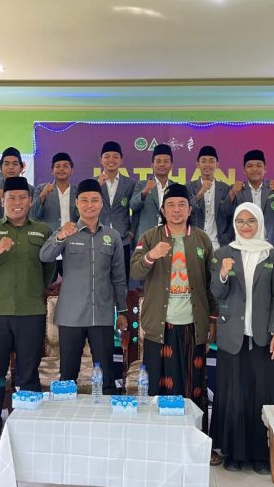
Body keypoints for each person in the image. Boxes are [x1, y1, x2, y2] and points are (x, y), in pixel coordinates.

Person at [0, 176, 56, 454]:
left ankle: (28, 423)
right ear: (3, 202)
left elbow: (49, 270)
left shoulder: (42, 230)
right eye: (11, 198)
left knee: (29, 374)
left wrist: (34, 290)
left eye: (22, 198)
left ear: (30, 201)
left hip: (31, 312)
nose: (17, 203)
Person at [209, 203, 274, 473]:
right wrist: (222, 273)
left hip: (263, 336)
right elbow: (216, 292)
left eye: (251, 221)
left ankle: (262, 455)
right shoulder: (224, 253)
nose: (245, 226)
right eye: (240, 221)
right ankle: (235, 453)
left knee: (263, 394)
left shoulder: (271, 254)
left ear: (259, 223)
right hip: (233, 335)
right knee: (234, 395)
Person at [130, 183, 216, 415]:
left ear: (190, 210)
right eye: (170, 205)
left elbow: (210, 284)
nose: (176, 210)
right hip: (160, 325)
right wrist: (151, 256)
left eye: (181, 205)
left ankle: (193, 434)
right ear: (163, 210)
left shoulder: (202, 239)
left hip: (193, 325)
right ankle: (157, 435)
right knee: (157, 389)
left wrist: (213, 320)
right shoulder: (150, 237)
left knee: (192, 386)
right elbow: (135, 272)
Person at [39, 179, 127, 393]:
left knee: (106, 377)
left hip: (102, 314)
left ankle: (105, 413)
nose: (89, 205)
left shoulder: (112, 236)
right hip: (71, 315)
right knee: (68, 376)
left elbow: (118, 277)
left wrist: (122, 311)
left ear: (101, 204)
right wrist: (60, 236)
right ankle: (66, 413)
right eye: (84, 200)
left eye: (94, 200)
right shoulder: (67, 231)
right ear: (76, 203)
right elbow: (44, 256)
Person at [226, 149, 274, 253]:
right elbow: (225, 213)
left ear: (265, 169)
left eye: (259, 165)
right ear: (244, 170)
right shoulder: (236, 189)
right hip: (246, 244)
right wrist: (232, 193)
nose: (254, 169)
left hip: (272, 243)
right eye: (250, 166)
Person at [96, 141, 136, 276]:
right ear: (101, 160)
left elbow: (136, 208)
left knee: (122, 277)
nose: (111, 160)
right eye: (107, 156)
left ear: (121, 160)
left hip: (122, 237)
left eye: (115, 156)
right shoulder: (93, 182)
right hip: (98, 236)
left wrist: (132, 230)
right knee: (100, 277)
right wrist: (97, 186)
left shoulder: (130, 183)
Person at [188, 145, 232, 250]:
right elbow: (186, 211)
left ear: (217, 165)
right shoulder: (189, 187)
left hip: (219, 244)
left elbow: (229, 215)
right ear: (197, 165)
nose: (207, 164)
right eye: (203, 161)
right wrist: (200, 193)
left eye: (211, 161)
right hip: (195, 242)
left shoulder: (225, 188)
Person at [130, 144, 174, 243]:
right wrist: (145, 191)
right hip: (146, 237)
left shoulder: (175, 187)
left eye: (166, 161)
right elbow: (133, 206)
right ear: (152, 165)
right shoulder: (142, 184)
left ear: (171, 166)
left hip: (170, 237)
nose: (162, 164)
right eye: (158, 161)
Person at [31, 152, 78, 233]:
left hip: (73, 236)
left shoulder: (78, 192)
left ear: (72, 170)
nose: (61, 169)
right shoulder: (41, 189)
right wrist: (43, 196)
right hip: (49, 236)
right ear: (52, 171)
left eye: (65, 166)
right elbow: (33, 216)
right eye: (57, 166)